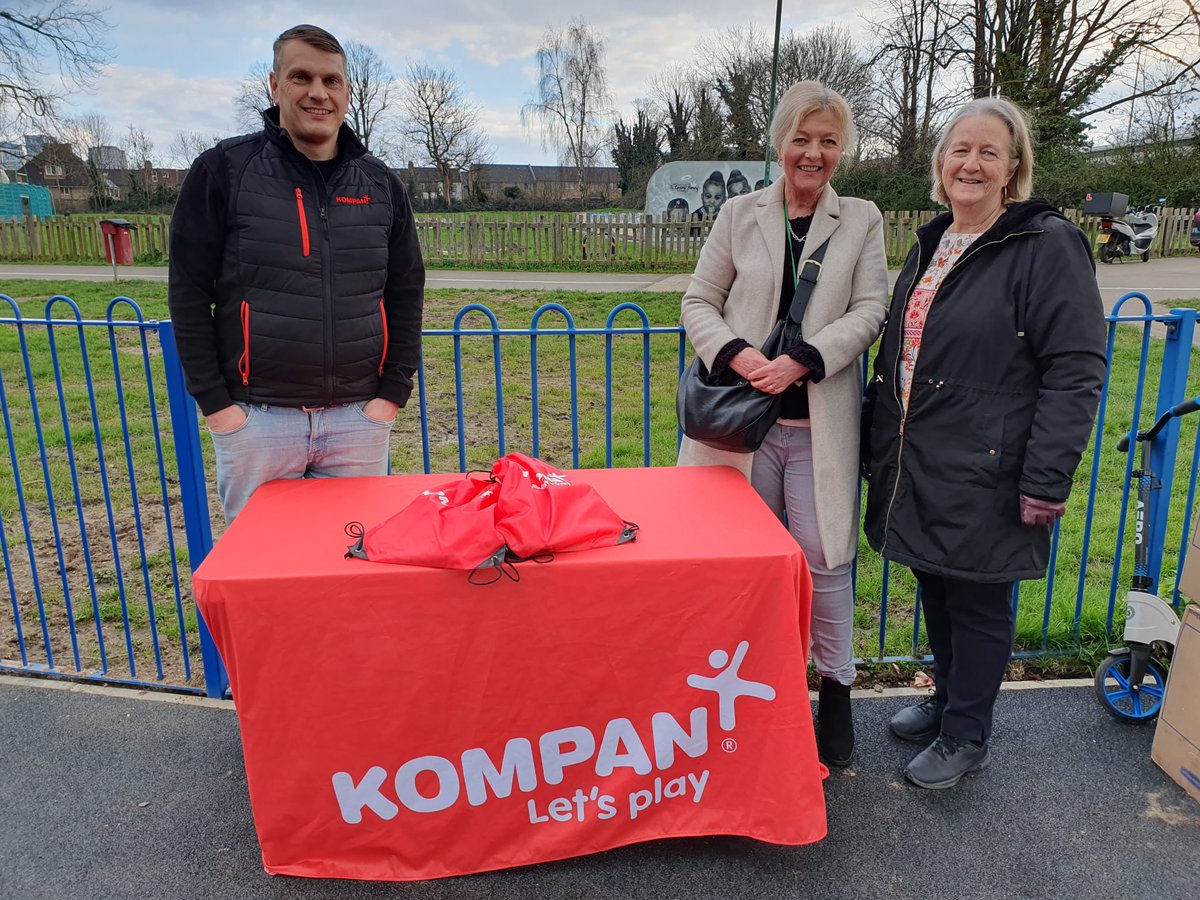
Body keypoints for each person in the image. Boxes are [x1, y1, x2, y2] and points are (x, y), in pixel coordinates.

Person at [862, 97, 1107, 789]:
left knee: (978, 600)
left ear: (1014, 169)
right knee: (935, 583)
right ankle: (946, 700)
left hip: (991, 464)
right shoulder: (934, 241)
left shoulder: (1045, 245)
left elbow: (1077, 368)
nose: (970, 163)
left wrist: (1045, 479)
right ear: (941, 164)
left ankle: (968, 733)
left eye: (988, 153)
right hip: (922, 457)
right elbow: (903, 360)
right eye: (959, 150)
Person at [677, 81, 889, 767]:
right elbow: (698, 300)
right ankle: (753, 696)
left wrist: (803, 359)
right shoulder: (738, 215)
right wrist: (739, 355)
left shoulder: (860, 219)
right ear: (780, 142)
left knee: (825, 563)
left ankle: (836, 691)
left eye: (829, 140)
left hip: (816, 427)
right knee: (745, 568)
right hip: (742, 428)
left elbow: (871, 309)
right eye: (803, 138)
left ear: (842, 150)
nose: (814, 153)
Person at [168, 24, 424, 523]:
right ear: (275, 84)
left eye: (331, 80)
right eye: (301, 77)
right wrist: (219, 407)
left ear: (347, 91)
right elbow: (189, 293)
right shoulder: (224, 170)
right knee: (264, 575)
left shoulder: (380, 185)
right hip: (258, 420)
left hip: (357, 421)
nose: (317, 93)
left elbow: (406, 292)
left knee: (350, 568)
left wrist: (392, 395)